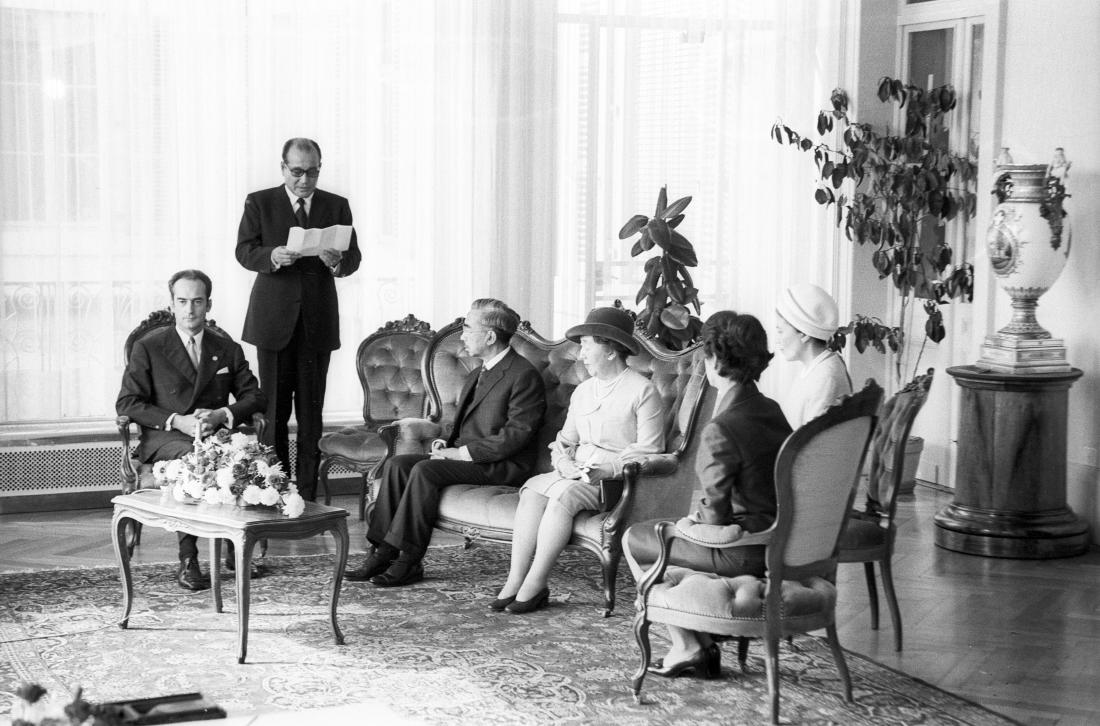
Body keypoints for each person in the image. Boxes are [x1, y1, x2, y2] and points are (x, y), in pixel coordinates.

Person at [623, 311, 791, 678]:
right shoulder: (771, 409)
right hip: (779, 539)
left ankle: (687, 643)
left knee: (635, 537)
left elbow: (713, 517)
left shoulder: (722, 427)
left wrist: (687, 523)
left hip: (742, 551)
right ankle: (698, 637)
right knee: (667, 537)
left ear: (713, 359)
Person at [346, 299, 547, 587]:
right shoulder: (479, 371)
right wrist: (444, 442)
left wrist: (461, 453)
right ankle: (382, 551)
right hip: (472, 458)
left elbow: (515, 436)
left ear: (490, 336)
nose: (462, 335)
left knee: (425, 471)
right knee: (398, 464)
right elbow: (465, 423)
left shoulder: (523, 375)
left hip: (504, 465)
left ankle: (409, 560)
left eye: (467, 328)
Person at [491, 307, 664, 614]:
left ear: (610, 350)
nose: (581, 353)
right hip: (575, 472)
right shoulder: (584, 390)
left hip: (614, 482)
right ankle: (515, 580)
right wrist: (562, 462)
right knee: (532, 491)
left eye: (587, 346)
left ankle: (536, 582)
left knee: (563, 497)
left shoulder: (642, 390)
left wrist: (606, 469)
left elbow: (650, 451)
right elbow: (565, 440)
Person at [116, 270, 267, 590]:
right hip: (166, 436)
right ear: (171, 304)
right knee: (194, 458)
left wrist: (222, 414)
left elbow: (255, 396)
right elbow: (127, 403)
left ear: (208, 304)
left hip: (213, 433)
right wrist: (175, 419)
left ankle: (235, 545)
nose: (190, 310)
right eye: (182, 301)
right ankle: (189, 557)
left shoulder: (226, 348)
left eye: (197, 301)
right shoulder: (150, 347)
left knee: (238, 457)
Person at [235, 137, 362, 501]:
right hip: (273, 321)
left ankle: (304, 495)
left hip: (316, 325)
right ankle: (276, 491)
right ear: (283, 167)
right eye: (297, 172)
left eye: (312, 172)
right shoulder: (260, 201)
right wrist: (271, 255)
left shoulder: (337, 205)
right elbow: (244, 250)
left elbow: (353, 258)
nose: (305, 180)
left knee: (311, 416)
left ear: (320, 168)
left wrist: (337, 261)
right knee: (274, 413)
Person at [774, 283, 852, 427]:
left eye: (780, 331)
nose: (778, 340)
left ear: (803, 334)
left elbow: (810, 444)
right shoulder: (816, 368)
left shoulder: (825, 378)